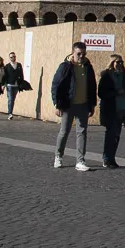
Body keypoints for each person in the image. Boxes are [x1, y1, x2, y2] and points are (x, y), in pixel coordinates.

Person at [51, 42, 97, 171]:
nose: (81, 56)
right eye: (78, 53)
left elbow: (92, 86)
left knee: (82, 132)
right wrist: (57, 104)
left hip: (83, 105)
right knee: (64, 131)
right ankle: (58, 156)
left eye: (83, 53)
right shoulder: (65, 66)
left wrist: (92, 104)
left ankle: (80, 161)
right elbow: (56, 85)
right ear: (73, 53)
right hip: (67, 105)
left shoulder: (88, 67)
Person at [97, 54, 125, 169]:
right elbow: (101, 93)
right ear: (112, 63)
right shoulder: (106, 76)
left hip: (121, 109)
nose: (119, 64)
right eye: (117, 62)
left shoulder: (124, 76)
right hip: (110, 109)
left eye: (121, 62)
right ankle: (106, 158)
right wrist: (115, 93)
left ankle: (112, 158)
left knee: (116, 135)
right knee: (110, 134)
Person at [2, 51, 24, 120]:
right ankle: (10, 113)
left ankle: (10, 111)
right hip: (9, 85)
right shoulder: (7, 66)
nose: (13, 58)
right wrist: (3, 85)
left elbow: (21, 75)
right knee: (10, 99)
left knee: (13, 99)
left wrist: (21, 84)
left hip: (16, 85)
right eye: (11, 57)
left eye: (14, 56)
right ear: (9, 58)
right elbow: (5, 77)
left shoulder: (19, 65)